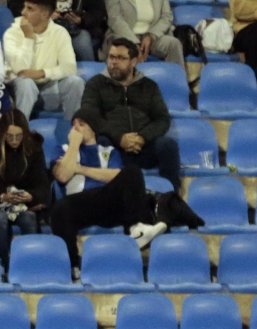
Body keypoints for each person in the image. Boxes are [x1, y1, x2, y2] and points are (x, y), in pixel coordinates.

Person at [51, 114, 169, 268]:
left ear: (93, 129)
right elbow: (62, 175)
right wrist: (74, 143)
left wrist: (79, 169)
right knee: (60, 209)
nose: (76, 128)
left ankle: (136, 229)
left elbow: (117, 176)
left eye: (81, 124)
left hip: (107, 201)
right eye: (73, 125)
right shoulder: (63, 149)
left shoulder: (109, 151)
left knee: (133, 172)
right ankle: (73, 267)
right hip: (78, 204)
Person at [80, 38, 181, 188]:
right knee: (101, 143)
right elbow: (90, 116)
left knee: (168, 145)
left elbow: (162, 119)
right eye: (112, 57)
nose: (114, 62)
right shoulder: (95, 84)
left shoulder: (149, 86)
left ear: (133, 62)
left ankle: (171, 197)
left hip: (143, 147)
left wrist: (142, 137)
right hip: (114, 147)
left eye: (121, 58)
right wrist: (119, 137)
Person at [0, 109, 49, 268]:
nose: (15, 140)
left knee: (29, 218)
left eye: (19, 136)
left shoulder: (33, 149)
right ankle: (3, 263)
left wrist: (31, 196)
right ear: (2, 134)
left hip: (22, 203)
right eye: (10, 136)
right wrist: (2, 197)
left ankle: (32, 263)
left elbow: (43, 184)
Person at [4, 0, 84, 120]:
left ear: (45, 15)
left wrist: (42, 73)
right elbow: (20, 69)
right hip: (17, 91)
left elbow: (70, 68)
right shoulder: (13, 31)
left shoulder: (60, 33)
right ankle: (20, 132)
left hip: (48, 90)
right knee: (27, 83)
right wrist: (28, 37)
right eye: (24, 7)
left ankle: (73, 130)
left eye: (30, 9)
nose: (23, 12)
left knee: (75, 82)